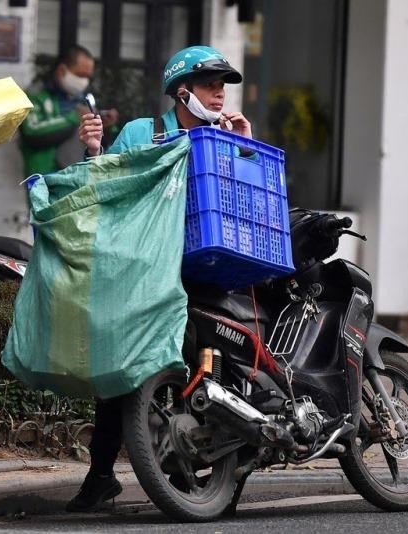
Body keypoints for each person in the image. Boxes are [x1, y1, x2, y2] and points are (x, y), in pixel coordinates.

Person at [66, 45, 253, 512]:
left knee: (219, 373)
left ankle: (221, 480)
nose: (219, 95)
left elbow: (245, 207)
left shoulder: (225, 137)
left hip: (206, 276)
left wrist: (245, 148)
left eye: (222, 87)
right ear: (182, 91)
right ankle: (100, 476)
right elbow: (106, 190)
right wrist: (94, 150)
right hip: (147, 273)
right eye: (209, 85)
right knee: (125, 371)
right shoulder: (142, 133)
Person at [19, 44, 119, 178]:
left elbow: (97, 145)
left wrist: (105, 127)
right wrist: (75, 117)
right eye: (81, 75)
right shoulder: (35, 94)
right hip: (43, 178)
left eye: (88, 77)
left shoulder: (83, 97)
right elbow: (32, 132)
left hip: (77, 177)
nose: (84, 81)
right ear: (62, 70)